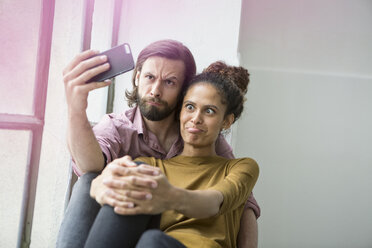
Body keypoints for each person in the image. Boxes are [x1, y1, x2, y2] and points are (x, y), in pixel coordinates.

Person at [57, 40, 260, 248]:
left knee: (152, 239)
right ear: (137, 77)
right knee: (91, 181)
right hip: (135, 231)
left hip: (163, 237)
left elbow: (241, 202)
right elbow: (90, 170)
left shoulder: (211, 142)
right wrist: (76, 108)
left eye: (170, 82)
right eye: (149, 77)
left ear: (182, 91)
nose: (155, 90)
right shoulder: (121, 133)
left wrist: (169, 196)